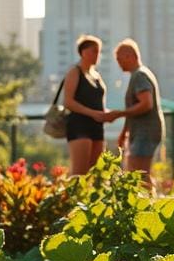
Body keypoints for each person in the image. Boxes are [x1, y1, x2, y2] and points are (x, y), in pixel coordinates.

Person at [109, 39, 164, 190]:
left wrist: (119, 113)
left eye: (119, 59)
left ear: (129, 56)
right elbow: (135, 108)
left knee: (139, 175)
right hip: (140, 132)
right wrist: (124, 132)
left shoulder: (140, 76)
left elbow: (146, 104)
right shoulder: (138, 75)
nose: (119, 64)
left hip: (145, 132)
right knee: (137, 173)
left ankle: (147, 207)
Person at [63, 35, 109, 175]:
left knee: (95, 173)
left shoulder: (96, 76)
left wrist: (107, 114)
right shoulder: (75, 72)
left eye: (99, 51)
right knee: (80, 173)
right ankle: (72, 197)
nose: (97, 55)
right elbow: (68, 102)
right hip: (79, 125)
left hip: (97, 126)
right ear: (83, 52)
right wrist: (92, 113)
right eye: (94, 51)